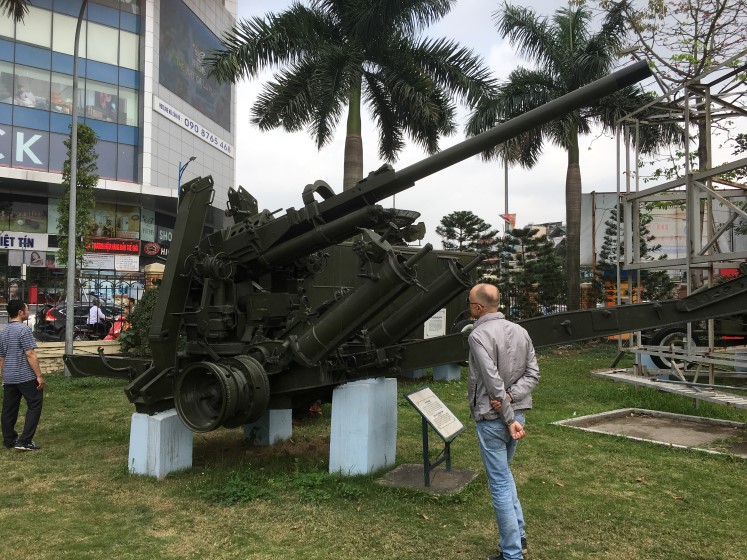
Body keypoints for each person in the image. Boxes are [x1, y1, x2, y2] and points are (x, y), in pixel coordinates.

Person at [466, 283, 540, 560]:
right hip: (516, 415)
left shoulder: (478, 335)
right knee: (505, 475)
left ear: (479, 307)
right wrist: (512, 399)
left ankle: (511, 554)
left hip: (496, 419)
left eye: (470, 302)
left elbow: (492, 380)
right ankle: (518, 536)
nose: (469, 306)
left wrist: (506, 410)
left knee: (498, 482)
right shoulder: (521, 331)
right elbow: (533, 375)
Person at [1, 300, 45, 451]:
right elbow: (30, 353)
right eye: (27, 309)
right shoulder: (23, 330)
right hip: (25, 375)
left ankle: (9, 440)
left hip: (9, 376)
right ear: (20, 312)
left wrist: (3, 376)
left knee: (9, 408)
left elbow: (1, 357)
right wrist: (38, 375)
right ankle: (25, 441)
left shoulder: (3, 331)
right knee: (35, 403)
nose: (28, 312)